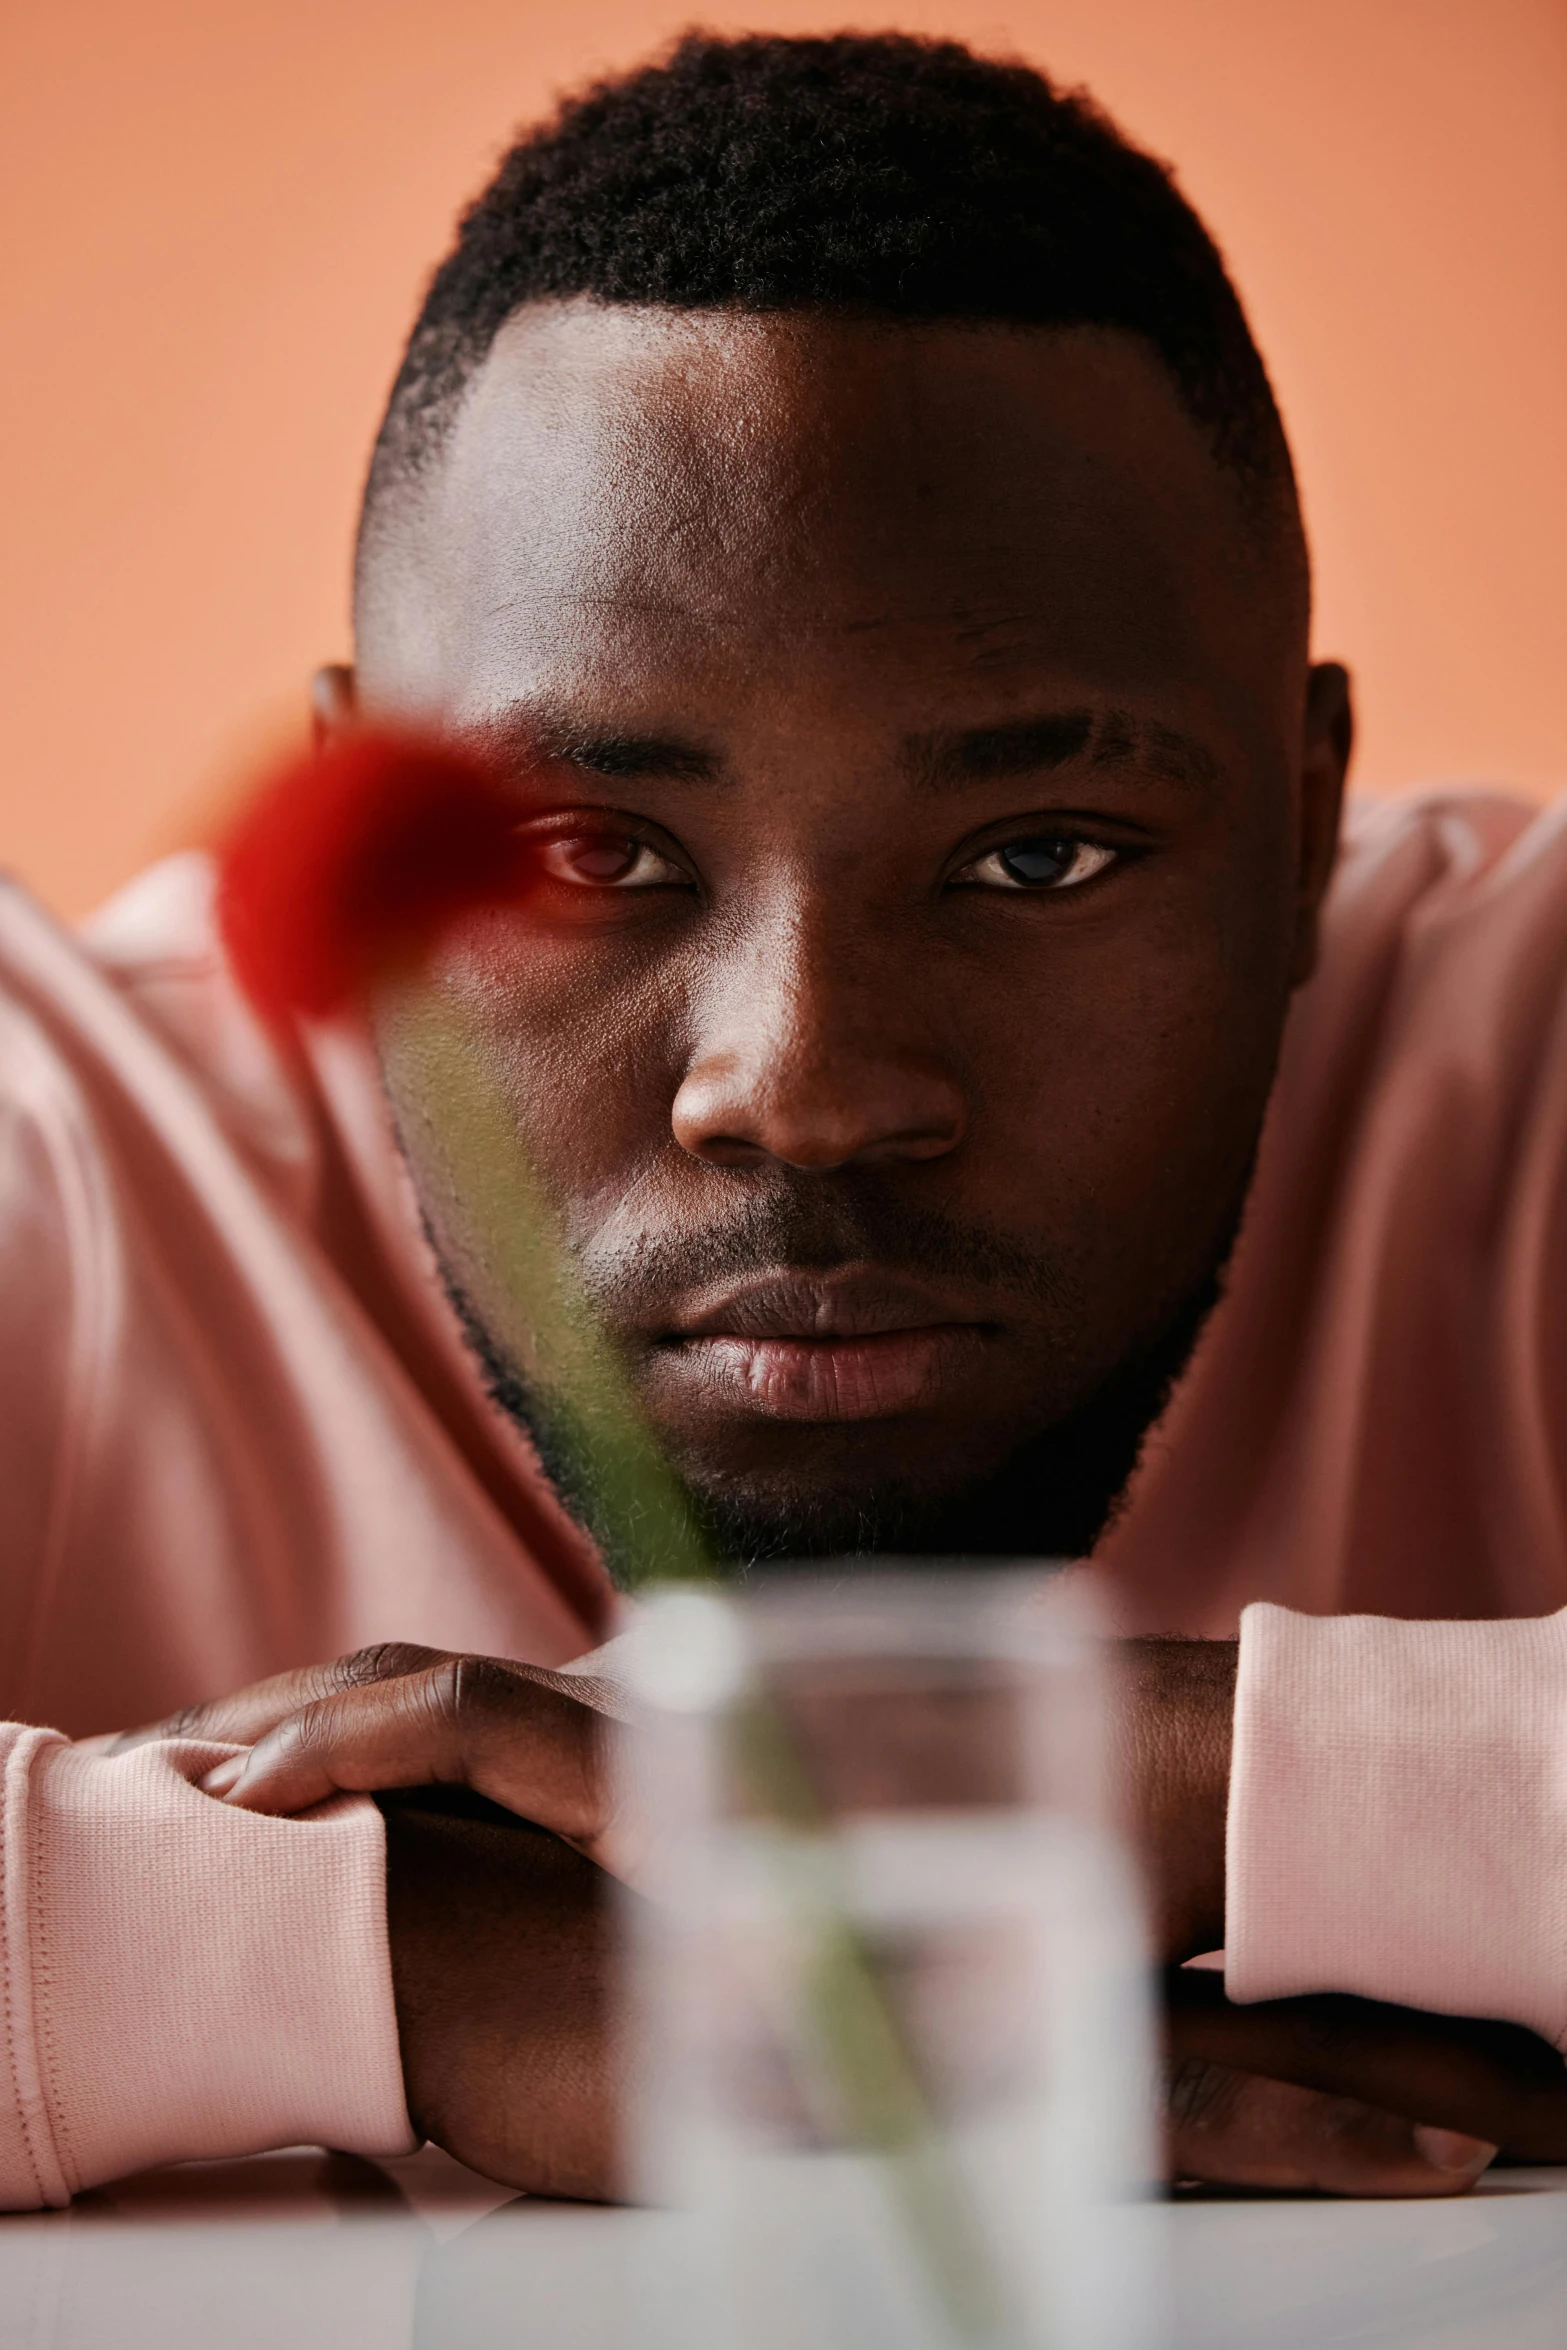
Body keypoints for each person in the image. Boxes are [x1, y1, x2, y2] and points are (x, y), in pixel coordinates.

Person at [4, 30, 1567, 2211]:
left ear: (1308, 825)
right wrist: (418, 1958)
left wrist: (1236, 1773)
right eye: (579, 850)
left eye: (1043, 851)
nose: (803, 1085)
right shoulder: (57, 1145)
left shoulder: (1534, 1045)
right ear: (371, 799)